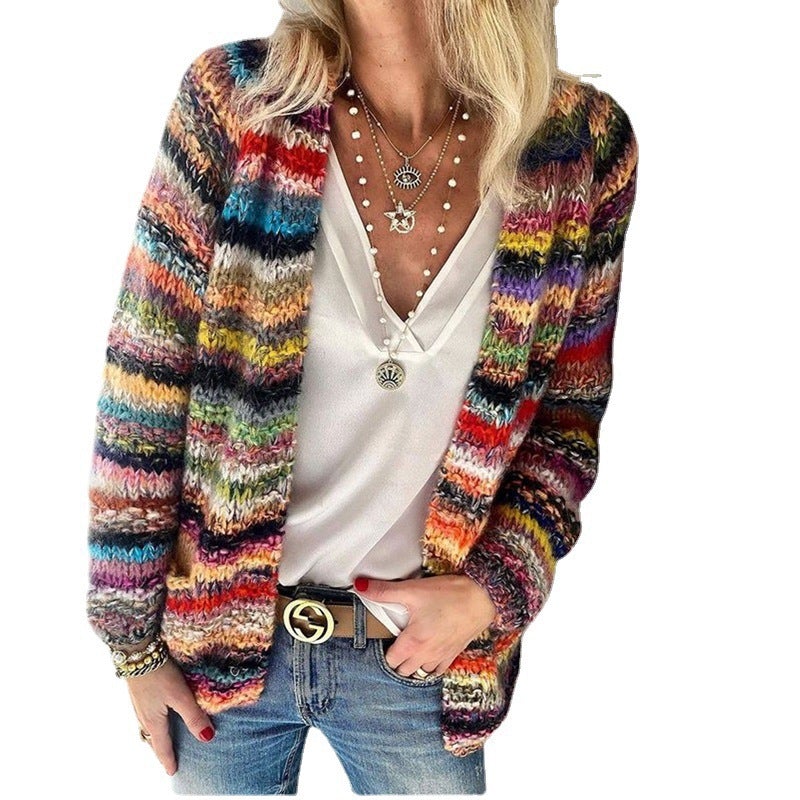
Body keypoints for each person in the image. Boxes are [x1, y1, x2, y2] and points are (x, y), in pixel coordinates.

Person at [85, 0, 639, 794]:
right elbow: (142, 387)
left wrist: (493, 592)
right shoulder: (236, 102)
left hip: (420, 659)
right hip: (222, 651)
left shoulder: (579, 145)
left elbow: (567, 424)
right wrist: (133, 647)